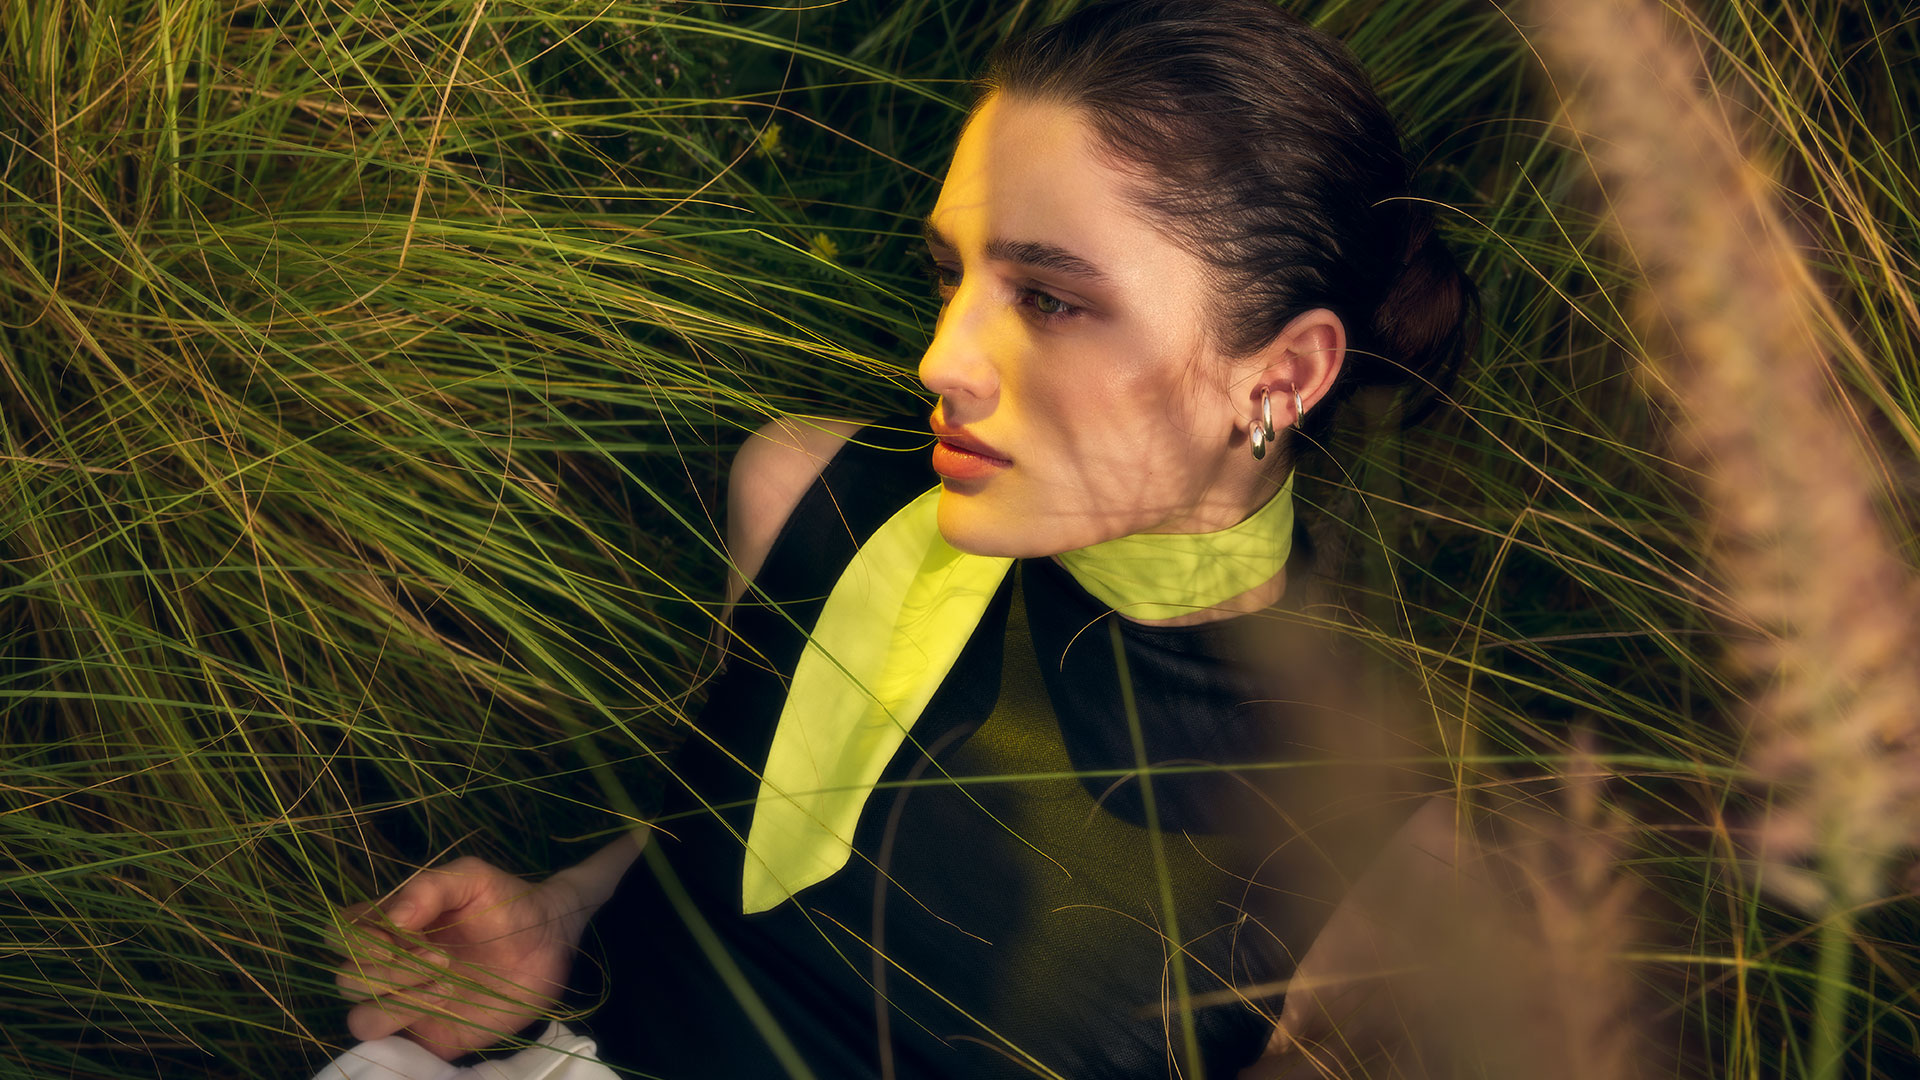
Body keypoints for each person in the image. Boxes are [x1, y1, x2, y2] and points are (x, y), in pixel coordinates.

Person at [319, 1, 1476, 1077]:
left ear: (1281, 376)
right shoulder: (809, 494)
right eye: (950, 275)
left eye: (1051, 299)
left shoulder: (1384, 857)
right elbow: (722, 822)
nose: (942, 361)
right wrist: (561, 916)